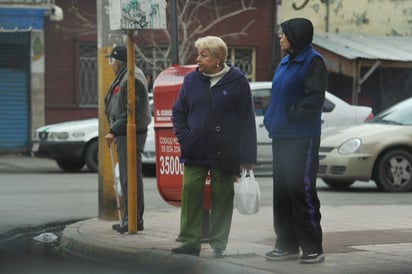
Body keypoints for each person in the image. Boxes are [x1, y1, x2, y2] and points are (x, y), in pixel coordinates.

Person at [171, 36, 257, 258]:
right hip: (195, 148)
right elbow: (179, 111)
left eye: (203, 55)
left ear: (218, 58)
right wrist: (185, 138)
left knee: (222, 195)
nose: (197, 58)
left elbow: (247, 119)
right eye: (198, 54)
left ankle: (219, 244)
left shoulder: (238, 81)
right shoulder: (191, 80)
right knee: (190, 191)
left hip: (226, 151)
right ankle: (190, 242)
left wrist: (248, 155)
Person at [263, 18, 327, 264]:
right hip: (280, 136)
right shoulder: (285, 61)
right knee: (282, 193)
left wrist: (291, 115)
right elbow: (277, 96)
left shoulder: (313, 61)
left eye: (284, 34)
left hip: (302, 138)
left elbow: (314, 99)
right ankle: (286, 244)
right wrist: (271, 118)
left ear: (297, 37)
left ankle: (312, 247)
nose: (280, 37)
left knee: (301, 191)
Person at [104, 45, 152, 233]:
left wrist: (114, 130)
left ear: (119, 62)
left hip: (130, 133)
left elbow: (133, 111)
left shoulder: (132, 77)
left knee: (129, 177)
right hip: (124, 132)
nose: (111, 65)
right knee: (126, 177)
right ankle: (129, 218)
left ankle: (133, 219)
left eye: (113, 61)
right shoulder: (125, 75)